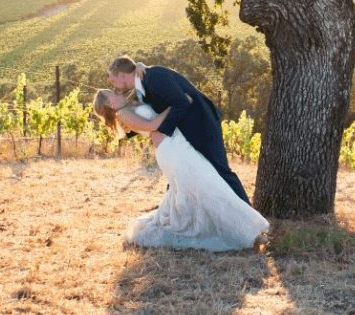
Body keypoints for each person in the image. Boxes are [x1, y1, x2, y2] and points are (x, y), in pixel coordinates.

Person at [93, 89, 269, 251]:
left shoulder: (128, 106)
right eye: (111, 94)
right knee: (209, 186)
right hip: (172, 151)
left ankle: (244, 230)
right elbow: (154, 124)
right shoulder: (124, 114)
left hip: (178, 146)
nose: (116, 92)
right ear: (109, 104)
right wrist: (176, 105)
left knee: (210, 185)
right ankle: (244, 232)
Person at [107, 55, 251, 204]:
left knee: (221, 170)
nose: (113, 85)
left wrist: (160, 131)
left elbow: (182, 103)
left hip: (203, 125)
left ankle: (250, 218)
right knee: (178, 176)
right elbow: (152, 115)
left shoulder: (155, 77)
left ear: (122, 75)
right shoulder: (140, 87)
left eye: (112, 80)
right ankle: (175, 214)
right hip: (182, 135)